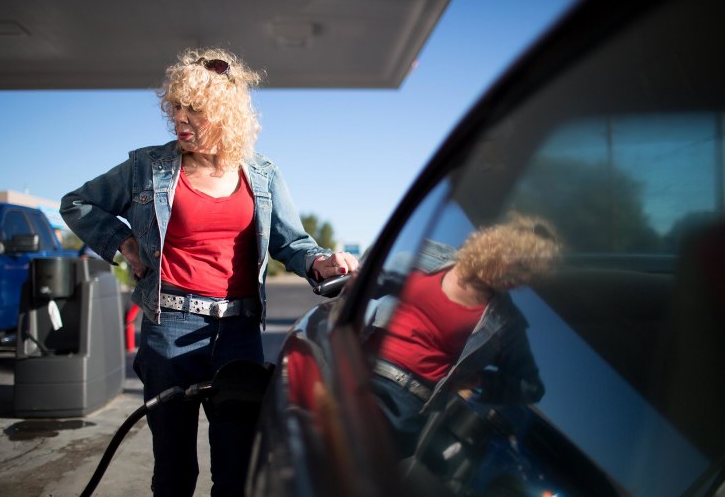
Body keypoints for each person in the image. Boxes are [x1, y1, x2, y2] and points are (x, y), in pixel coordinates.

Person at [60, 46, 357, 496]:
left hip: (238, 330)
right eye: (175, 107)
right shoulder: (148, 168)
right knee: (175, 472)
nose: (180, 118)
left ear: (224, 113)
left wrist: (320, 262)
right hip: (170, 327)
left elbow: (291, 243)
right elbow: (76, 203)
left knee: (237, 469)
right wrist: (123, 243)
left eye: (194, 109)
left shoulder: (262, 175)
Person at [366, 214, 561, 457]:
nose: (523, 279)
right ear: (497, 247)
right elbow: (370, 272)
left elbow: (532, 387)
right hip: (354, 361)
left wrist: (479, 384)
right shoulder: (427, 252)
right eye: (522, 266)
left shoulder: (506, 322)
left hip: (402, 402)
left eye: (530, 276)